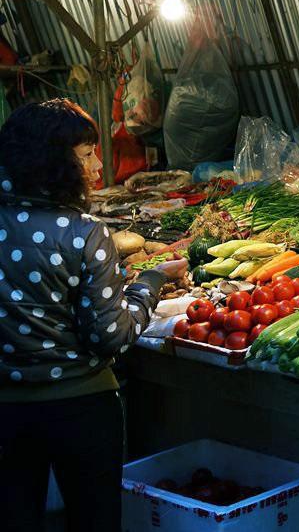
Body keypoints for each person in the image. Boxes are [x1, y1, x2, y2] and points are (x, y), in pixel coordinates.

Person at [0, 99, 187, 532]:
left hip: (6, 413)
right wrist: (150, 284)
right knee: (94, 521)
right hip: (79, 408)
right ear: (52, 162)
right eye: (86, 155)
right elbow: (110, 337)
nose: (99, 164)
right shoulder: (84, 232)